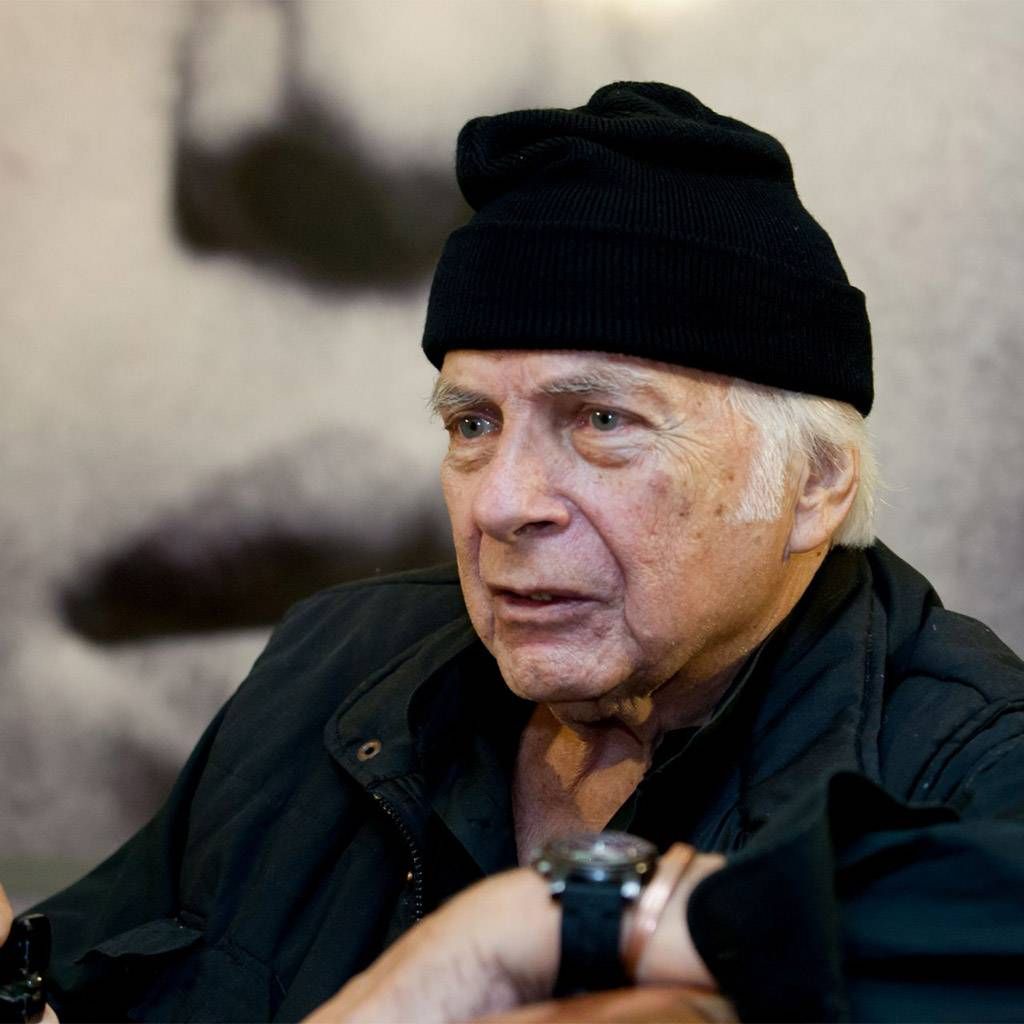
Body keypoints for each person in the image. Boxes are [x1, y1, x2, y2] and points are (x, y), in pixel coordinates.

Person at [6, 81, 1024, 1023]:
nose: (499, 504)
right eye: (473, 424)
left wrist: (542, 921)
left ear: (812, 486)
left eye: (602, 420)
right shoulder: (331, 661)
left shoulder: (969, 766)